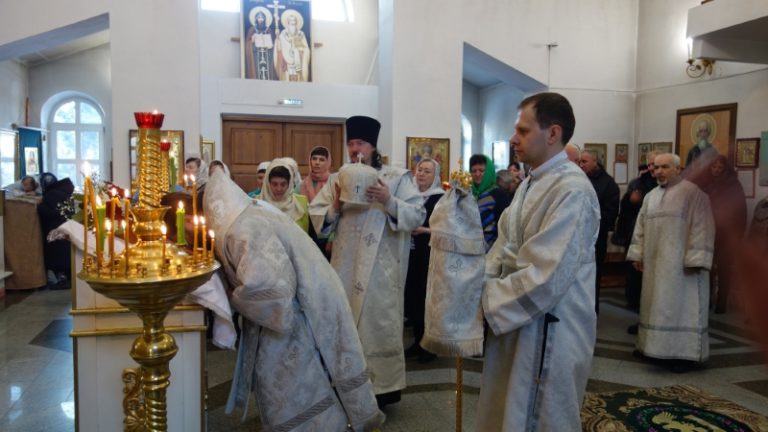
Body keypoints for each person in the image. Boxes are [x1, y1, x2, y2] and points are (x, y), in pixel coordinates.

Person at [203, 168, 384, 431]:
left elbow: (273, 295)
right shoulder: (247, 214)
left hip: (299, 316)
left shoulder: (243, 229)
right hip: (306, 300)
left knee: (299, 388)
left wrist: (236, 296)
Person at [478, 92, 600, 431]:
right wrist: (479, 282)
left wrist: (485, 300)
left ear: (553, 133)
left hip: (551, 326)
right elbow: (503, 245)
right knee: (505, 408)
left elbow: (547, 274)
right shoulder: (530, 183)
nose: (513, 139)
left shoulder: (573, 190)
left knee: (542, 417)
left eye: (523, 130)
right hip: (516, 318)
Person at [309, 115, 425, 408]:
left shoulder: (397, 178)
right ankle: (344, 387)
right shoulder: (339, 179)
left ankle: (382, 391)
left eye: (359, 143)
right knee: (344, 323)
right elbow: (318, 217)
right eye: (350, 143)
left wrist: (388, 200)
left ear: (372, 146)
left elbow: (417, 214)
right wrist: (335, 205)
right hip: (345, 269)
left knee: (377, 325)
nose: (354, 149)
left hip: (380, 273)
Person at [626, 153, 715, 373]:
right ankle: (652, 347)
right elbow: (640, 228)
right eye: (656, 168)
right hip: (655, 264)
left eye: (664, 167)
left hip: (682, 267)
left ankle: (684, 355)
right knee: (655, 305)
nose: (658, 172)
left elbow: (703, 227)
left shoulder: (694, 194)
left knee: (682, 308)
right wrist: (637, 254)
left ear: (678, 168)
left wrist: (696, 258)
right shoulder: (651, 197)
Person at [403, 158, 444, 364]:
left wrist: (424, 230)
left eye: (427, 171)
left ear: (435, 176)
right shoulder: (409, 195)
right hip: (409, 253)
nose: (422, 174)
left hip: (428, 254)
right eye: (420, 170)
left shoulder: (440, 199)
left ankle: (429, 346)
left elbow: (447, 229)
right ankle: (417, 341)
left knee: (426, 299)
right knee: (412, 297)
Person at [613, 151, 658, 317]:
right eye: (650, 164)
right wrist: (630, 201)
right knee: (634, 272)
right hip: (635, 232)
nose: (652, 168)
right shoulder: (637, 183)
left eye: (655, 165)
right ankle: (634, 303)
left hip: (657, 236)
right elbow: (625, 209)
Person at [701, 155, 747, 314]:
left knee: (724, 268)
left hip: (727, 234)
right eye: (714, 167)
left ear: (725, 169)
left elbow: (741, 210)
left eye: (720, 167)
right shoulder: (706, 183)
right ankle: (706, 300)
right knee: (707, 267)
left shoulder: (733, 185)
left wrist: (737, 235)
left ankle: (722, 303)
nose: (716, 170)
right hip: (708, 231)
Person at [579, 149, 620, 314]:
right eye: (579, 162)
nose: (581, 165)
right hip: (578, 239)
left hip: (595, 240)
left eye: (584, 162)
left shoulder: (608, 184)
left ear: (595, 162)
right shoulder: (579, 179)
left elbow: (610, 214)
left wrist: (589, 222)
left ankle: (591, 313)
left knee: (592, 278)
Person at [469, 154, 511, 251]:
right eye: (474, 171)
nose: (477, 174)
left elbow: (505, 226)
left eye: (481, 170)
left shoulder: (498, 194)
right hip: (470, 250)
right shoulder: (469, 193)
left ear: (488, 172)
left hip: (491, 250)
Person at [256, 159, 310, 232]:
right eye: (274, 184)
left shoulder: (301, 203)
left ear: (289, 184)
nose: (279, 189)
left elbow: (308, 235)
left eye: (283, 184)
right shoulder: (257, 203)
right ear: (268, 184)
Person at [274, 10, 310, 82]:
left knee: (298, 82)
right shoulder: (283, 34)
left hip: (298, 62)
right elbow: (279, 47)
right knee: (287, 81)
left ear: (296, 22)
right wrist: (277, 39)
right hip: (287, 63)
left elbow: (306, 49)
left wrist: (300, 50)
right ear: (287, 22)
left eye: (294, 20)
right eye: (291, 20)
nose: (292, 22)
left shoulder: (301, 34)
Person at [245, 8, 276, 80]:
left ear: (264, 19)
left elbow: (273, 44)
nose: (260, 19)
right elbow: (247, 43)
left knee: (268, 72)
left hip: (267, 54)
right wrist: (251, 41)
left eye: (262, 17)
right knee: (257, 70)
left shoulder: (268, 30)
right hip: (256, 54)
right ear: (256, 19)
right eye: (259, 17)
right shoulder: (252, 29)